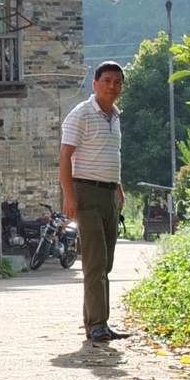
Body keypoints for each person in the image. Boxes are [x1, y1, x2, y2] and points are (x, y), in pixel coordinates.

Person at [59, 61, 130, 343]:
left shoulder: (115, 116)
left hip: (108, 194)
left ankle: (99, 322)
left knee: (107, 262)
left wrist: (118, 187)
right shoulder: (81, 115)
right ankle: (96, 324)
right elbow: (65, 157)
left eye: (118, 82)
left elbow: (111, 155)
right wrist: (69, 196)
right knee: (95, 262)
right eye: (107, 81)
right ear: (95, 83)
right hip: (85, 193)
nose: (113, 86)